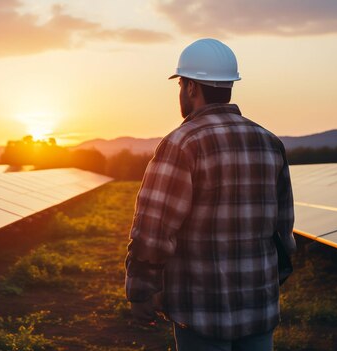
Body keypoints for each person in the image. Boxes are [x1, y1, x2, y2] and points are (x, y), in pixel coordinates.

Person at [125, 38, 296, 351]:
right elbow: (283, 232)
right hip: (259, 307)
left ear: (191, 87)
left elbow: (153, 230)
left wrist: (141, 291)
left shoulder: (181, 144)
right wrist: (266, 284)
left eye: (180, 85)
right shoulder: (269, 142)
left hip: (200, 311)